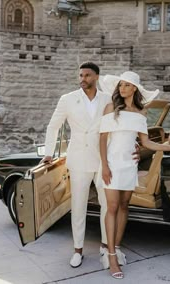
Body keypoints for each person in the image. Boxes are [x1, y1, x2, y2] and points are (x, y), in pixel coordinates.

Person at [41, 62, 130, 268]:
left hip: (104, 160)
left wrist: (132, 147)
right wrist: (48, 153)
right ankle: (77, 250)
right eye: (80, 75)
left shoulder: (109, 99)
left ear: (96, 77)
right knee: (78, 205)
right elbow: (53, 126)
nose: (83, 79)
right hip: (78, 159)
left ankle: (105, 248)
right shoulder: (68, 99)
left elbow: (121, 126)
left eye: (87, 75)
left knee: (107, 205)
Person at [99, 71, 170, 279]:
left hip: (130, 164)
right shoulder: (110, 108)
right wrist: (104, 166)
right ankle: (110, 256)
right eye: (120, 85)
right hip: (112, 163)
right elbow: (102, 140)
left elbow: (146, 143)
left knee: (123, 206)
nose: (122, 89)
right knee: (111, 207)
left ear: (134, 89)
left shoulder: (140, 113)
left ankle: (117, 247)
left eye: (127, 85)